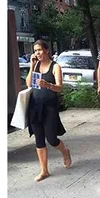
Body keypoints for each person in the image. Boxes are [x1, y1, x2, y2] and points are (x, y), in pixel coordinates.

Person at [25, 40, 72, 182]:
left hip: (50, 106)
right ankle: (44, 170)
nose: (37, 53)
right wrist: (32, 66)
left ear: (46, 50)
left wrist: (47, 85)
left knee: (51, 138)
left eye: (39, 50)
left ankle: (65, 151)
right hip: (35, 105)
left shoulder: (55, 66)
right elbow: (28, 83)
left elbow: (59, 87)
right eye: (35, 50)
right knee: (39, 138)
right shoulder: (36, 65)